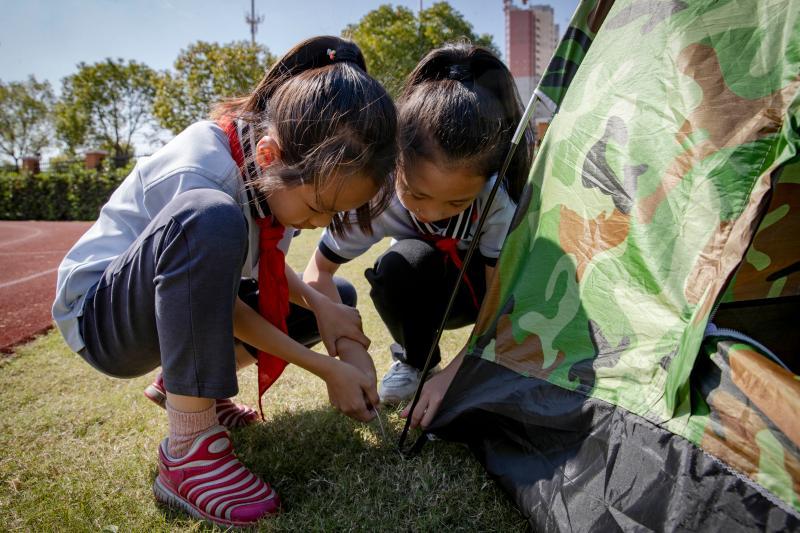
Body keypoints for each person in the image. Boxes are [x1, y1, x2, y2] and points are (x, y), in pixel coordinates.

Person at [51, 36, 397, 528]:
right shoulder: (205, 170)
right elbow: (221, 300)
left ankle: (193, 389)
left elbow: (268, 270)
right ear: (270, 153)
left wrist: (324, 309)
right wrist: (324, 367)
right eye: (319, 208)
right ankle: (188, 451)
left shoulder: (275, 178)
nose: (321, 223)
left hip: (161, 305)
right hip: (102, 321)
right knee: (210, 218)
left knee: (333, 294)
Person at [304, 42, 533, 403]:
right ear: (397, 161)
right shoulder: (377, 198)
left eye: (458, 201)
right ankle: (417, 363)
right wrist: (350, 353)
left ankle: (474, 367)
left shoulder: (495, 203)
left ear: (488, 179)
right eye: (418, 195)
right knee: (400, 264)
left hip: (477, 296)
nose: (435, 213)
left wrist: (458, 378)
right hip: (420, 289)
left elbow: (497, 304)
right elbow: (318, 272)